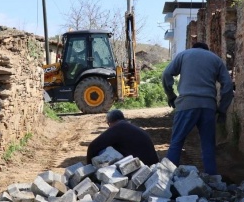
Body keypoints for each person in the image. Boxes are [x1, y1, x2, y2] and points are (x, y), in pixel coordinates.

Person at [162, 42, 233, 176]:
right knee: (208, 145)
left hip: (186, 104)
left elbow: (166, 74)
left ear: (193, 48)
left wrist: (171, 95)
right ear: (207, 49)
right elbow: (228, 85)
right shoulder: (215, 59)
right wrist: (222, 109)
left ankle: (167, 178)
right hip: (208, 106)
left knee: (177, 142)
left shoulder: (183, 55)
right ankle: (212, 180)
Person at [86, 109, 159, 166]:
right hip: (153, 164)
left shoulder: (118, 127)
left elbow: (92, 147)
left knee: (104, 151)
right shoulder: (127, 126)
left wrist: (89, 168)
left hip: (143, 166)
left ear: (110, 122)